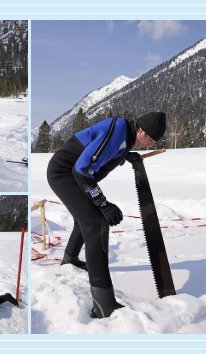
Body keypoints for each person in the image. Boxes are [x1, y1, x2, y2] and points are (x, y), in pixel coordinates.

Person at [46, 112, 167, 319]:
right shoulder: (118, 133)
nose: (149, 145)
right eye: (150, 140)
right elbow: (82, 171)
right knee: (96, 223)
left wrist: (127, 154)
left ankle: (70, 259)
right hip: (64, 174)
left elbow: (109, 150)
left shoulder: (125, 135)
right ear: (140, 129)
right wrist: (104, 204)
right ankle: (103, 303)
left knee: (86, 218)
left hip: (74, 174)